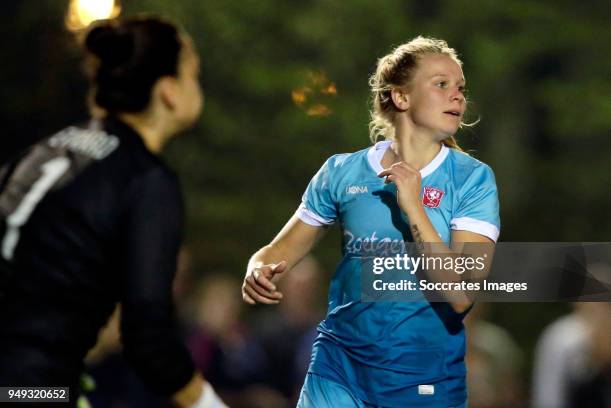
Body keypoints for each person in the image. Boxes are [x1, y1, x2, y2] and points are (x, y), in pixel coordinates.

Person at [242, 36, 500, 407]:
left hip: (423, 377)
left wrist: (414, 207)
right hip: (338, 368)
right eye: (441, 84)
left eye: (461, 88)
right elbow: (278, 250)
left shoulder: (472, 179)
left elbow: (460, 295)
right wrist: (258, 268)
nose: (458, 96)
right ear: (401, 97)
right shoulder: (341, 171)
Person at [0, 16, 226, 408]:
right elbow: (148, 338)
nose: (197, 88)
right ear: (169, 91)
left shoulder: (46, 149)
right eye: (194, 75)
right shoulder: (145, 179)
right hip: (30, 389)